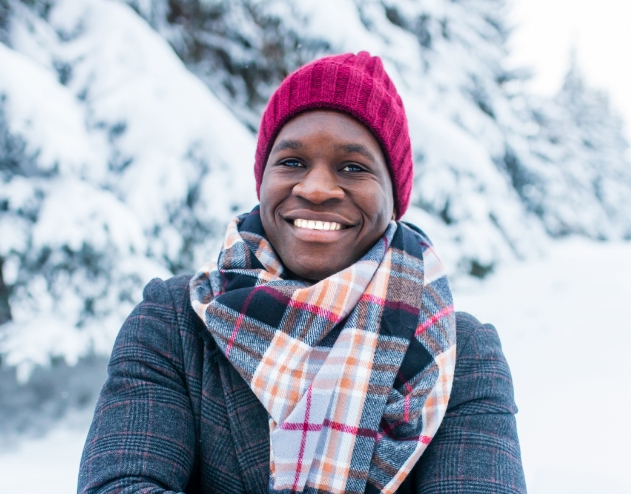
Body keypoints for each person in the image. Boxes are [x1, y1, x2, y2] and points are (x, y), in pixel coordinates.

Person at [78, 52, 526, 494]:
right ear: (263, 180)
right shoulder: (175, 322)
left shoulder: (458, 353)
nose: (315, 189)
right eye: (292, 162)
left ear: (394, 199)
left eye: (353, 167)